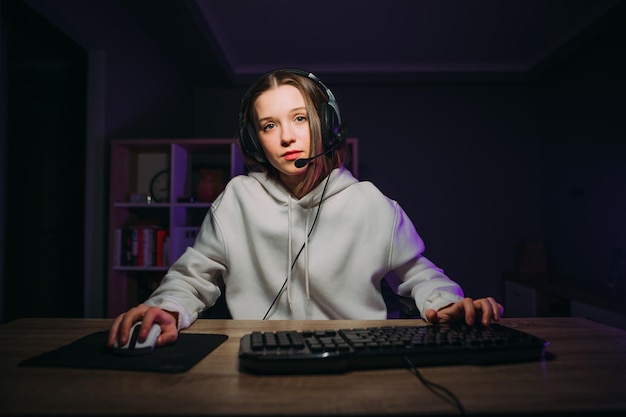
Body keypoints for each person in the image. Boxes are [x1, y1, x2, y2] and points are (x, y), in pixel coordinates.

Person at [108, 68, 504, 349]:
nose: (287, 137)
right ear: (255, 139)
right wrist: (165, 309)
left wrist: (447, 303)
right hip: (256, 358)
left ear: (325, 124)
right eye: (269, 126)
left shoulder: (371, 203)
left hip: (358, 359)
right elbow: (193, 279)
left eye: (299, 118)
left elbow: (418, 276)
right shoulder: (236, 199)